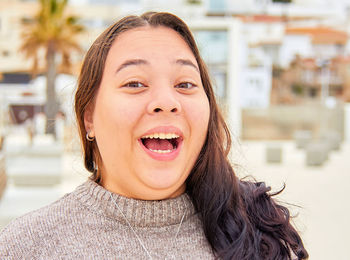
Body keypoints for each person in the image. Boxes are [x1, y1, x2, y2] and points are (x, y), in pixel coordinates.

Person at [0, 12, 308, 259]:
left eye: (185, 84)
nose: (166, 101)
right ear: (89, 117)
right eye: (135, 83)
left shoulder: (262, 233)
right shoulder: (24, 247)